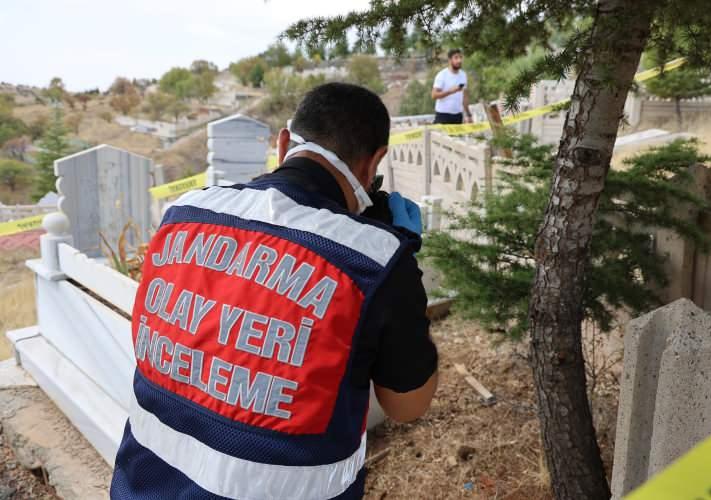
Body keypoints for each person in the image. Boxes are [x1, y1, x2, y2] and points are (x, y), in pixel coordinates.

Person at [110, 82, 438, 500]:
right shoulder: (374, 260)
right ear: (374, 163)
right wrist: (402, 273)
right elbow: (408, 406)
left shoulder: (182, 212)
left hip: (141, 485)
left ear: (284, 142)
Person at [431, 48, 472, 124]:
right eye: (456, 58)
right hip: (443, 115)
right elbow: (433, 95)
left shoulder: (463, 75)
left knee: (458, 136)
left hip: (458, 115)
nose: (459, 60)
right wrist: (450, 91)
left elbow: (465, 97)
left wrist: (468, 114)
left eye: (460, 57)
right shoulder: (442, 75)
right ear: (450, 60)